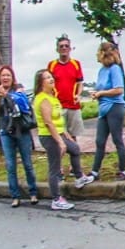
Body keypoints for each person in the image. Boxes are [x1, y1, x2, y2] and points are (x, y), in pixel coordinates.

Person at [0, 67, 38, 207]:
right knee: (11, 165)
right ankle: (15, 196)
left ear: (12, 77)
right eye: (3, 75)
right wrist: (0, 96)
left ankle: (33, 193)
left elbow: (22, 103)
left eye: (8, 75)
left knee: (27, 163)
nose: (5, 78)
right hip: (6, 132)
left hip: (21, 130)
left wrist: (7, 95)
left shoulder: (18, 88)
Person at [32, 69, 80, 211]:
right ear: (41, 82)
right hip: (49, 136)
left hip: (58, 133)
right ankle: (56, 199)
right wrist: (60, 141)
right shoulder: (43, 99)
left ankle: (79, 177)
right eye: (47, 78)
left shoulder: (51, 96)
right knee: (54, 168)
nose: (51, 79)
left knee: (75, 148)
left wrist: (65, 133)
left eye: (51, 76)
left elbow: (56, 119)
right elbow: (48, 122)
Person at [82, 41, 125, 183]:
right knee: (100, 141)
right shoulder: (102, 70)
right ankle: (95, 172)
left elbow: (119, 89)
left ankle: (122, 170)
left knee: (117, 139)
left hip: (115, 107)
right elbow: (102, 88)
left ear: (103, 53)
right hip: (103, 109)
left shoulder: (115, 69)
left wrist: (101, 93)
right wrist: (97, 94)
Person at [48, 35, 86, 142]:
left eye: (66, 46)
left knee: (73, 136)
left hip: (73, 105)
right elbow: (48, 84)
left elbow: (80, 83)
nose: (64, 48)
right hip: (58, 105)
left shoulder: (76, 64)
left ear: (70, 48)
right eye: (61, 46)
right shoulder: (52, 65)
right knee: (59, 135)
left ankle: (74, 152)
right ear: (57, 49)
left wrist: (78, 95)